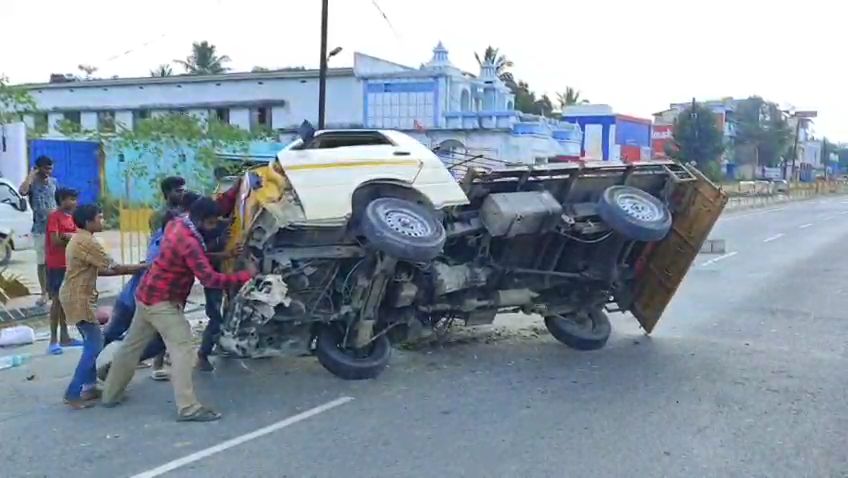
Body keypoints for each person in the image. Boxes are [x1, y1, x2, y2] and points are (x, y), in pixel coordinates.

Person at [102, 197, 255, 422]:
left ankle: (110, 395)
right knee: (183, 348)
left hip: (147, 294)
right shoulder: (189, 241)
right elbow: (209, 278)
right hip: (161, 301)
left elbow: (195, 257)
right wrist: (247, 275)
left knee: (130, 347)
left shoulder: (178, 223)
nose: (214, 228)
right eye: (212, 223)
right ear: (202, 220)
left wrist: (225, 255)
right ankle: (188, 407)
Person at [60, 205, 145, 409]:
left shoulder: (80, 239)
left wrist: (136, 269)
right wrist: (143, 267)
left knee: (93, 342)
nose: (103, 221)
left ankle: (88, 387)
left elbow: (101, 271)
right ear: (89, 221)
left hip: (77, 296)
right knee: (94, 345)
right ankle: (73, 393)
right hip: (77, 298)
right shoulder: (87, 241)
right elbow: (113, 266)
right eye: (99, 217)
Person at [44, 188, 82, 355]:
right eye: (70, 199)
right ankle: (53, 340)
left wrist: (71, 237)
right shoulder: (55, 217)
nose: (74, 202)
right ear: (61, 199)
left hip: (69, 264)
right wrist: (69, 237)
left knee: (65, 301)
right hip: (56, 265)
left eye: (75, 199)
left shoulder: (73, 217)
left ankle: (65, 337)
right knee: (57, 302)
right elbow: (55, 240)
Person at [18, 156, 57, 307]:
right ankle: (44, 293)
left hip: (55, 228)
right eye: (46, 168)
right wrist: (31, 175)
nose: (48, 171)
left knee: (55, 262)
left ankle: (54, 291)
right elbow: (22, 191)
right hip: (40, 229)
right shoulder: (32, 183)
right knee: (42, 262)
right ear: (38, 168)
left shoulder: (54, 183)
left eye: (50, 168)